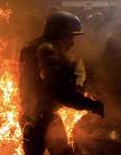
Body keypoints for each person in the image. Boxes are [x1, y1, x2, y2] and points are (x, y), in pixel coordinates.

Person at [19, 11, 105, 155]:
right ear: (60, 34)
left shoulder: (35, 46)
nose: (72, 42)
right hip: (40, 119)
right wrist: (90, 105)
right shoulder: (46, 50)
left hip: (36, 117)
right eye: (70, 36)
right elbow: (57, 89)